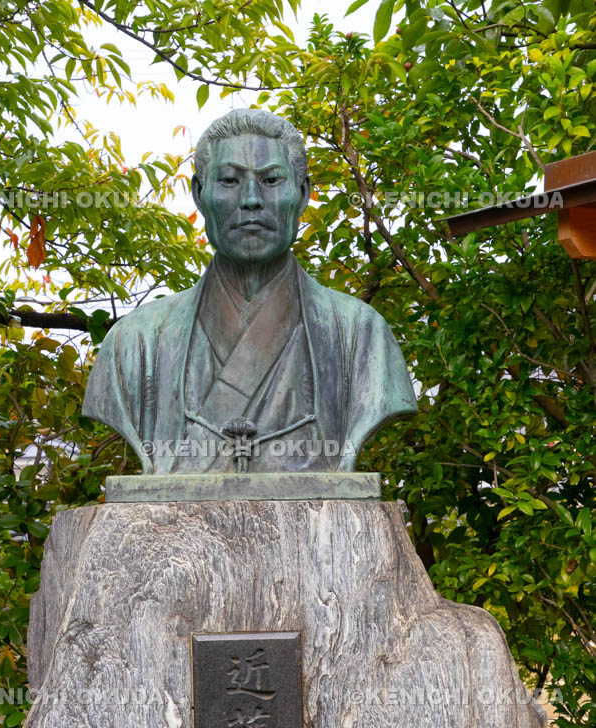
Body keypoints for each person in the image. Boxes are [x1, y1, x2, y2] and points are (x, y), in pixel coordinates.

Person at [82, 109, 417, 474]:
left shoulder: (361, 334)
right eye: (229, 180)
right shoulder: (134, 342)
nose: (252, 200)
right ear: (199, 194)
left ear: (302, 195)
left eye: (272, 180)